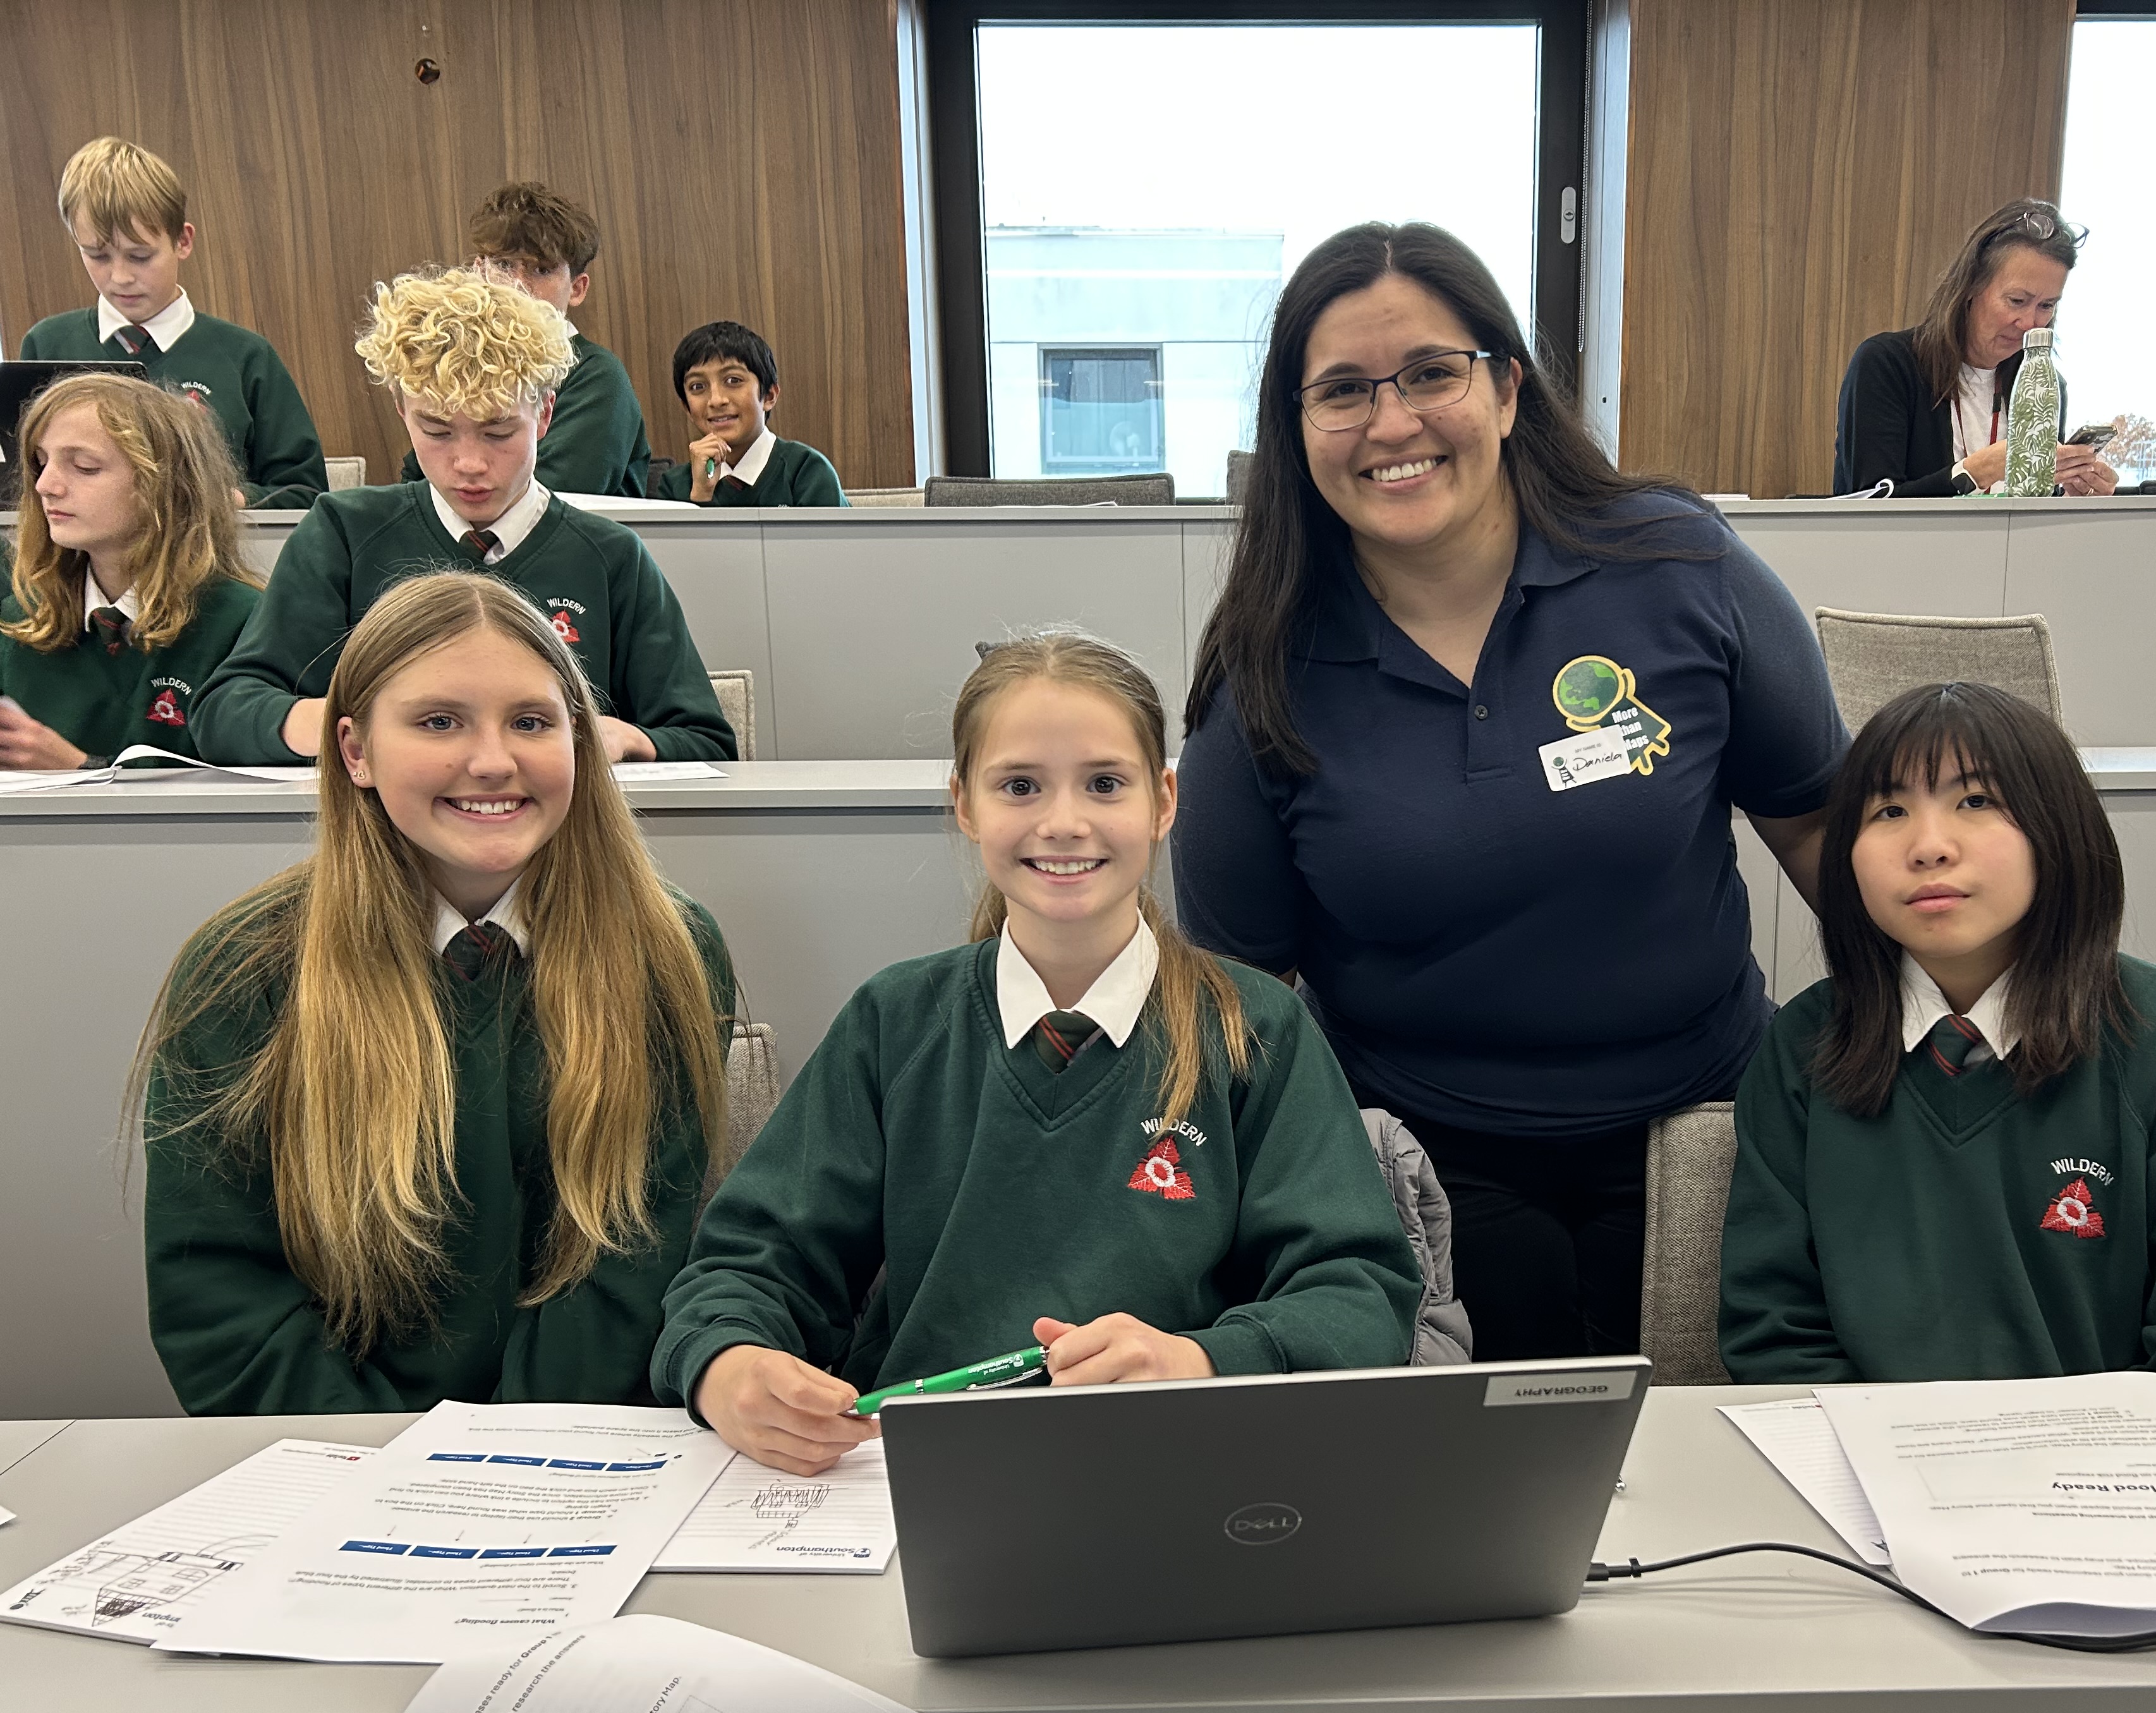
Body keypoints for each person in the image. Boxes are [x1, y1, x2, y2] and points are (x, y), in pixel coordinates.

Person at [1171, 221, 1849, 1365]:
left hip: (1714, 1129)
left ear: (1506, 388)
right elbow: (1243, 1010)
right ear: (1295, 429)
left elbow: (1829, 830)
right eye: (1341, 390)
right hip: (1425, 1167)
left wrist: (1938, 1049)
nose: (1392, 422)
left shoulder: (1677, 565)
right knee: (1491, 1512)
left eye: (1431, 372)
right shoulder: (1262, 673)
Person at [653, 630, 1424, 1476]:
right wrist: (727, 1365)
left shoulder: (1255, 1029)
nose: (1064, 822)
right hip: (916, 1486)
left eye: (1105, 783)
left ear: (1164, 800)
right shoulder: (896, 1022)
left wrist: (1197, 1362)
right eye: (1020, 785)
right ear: (964, 804)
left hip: (1179, 1472)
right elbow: (747, 1265)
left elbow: (1359, 1297)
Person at [139, 571, 736, 1413]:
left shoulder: (665, 950)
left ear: (579, 740)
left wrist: (515, 1465)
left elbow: (631, 1263)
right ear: (355, 752)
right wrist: (380, 1473)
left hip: (577, 1452)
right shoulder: (245, 965)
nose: (492, 762)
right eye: (438, 722)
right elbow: (223, 1297)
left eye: (532, 722)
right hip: (330, 1464)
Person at [1717, 682, 2156, 1381]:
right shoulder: (1803, 1046)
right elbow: (1773, 1332)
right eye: (1890, 810)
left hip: (2114, 1473)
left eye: (1976, 801)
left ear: (2059, 829)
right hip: (1866, 1469)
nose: (1930, 846)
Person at [192, 267, 734, 766]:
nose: (469, 464)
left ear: (544, 413)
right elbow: (225, 712)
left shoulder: (612, 557)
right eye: (437, 431)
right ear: (402, 409)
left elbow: (706, 742)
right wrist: (316, 723)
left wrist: (627, 738)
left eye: (499, 432)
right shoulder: (343, 534)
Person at [17, 136, 326, 508]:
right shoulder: (46, 344)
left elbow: (304, 493)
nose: (120, 277)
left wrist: (229, 500)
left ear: (183, 241)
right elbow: (20, 492)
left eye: (140, 256)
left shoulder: (246, 356)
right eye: (97, 255)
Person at [0, 374, 260, 767]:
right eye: (40, 462)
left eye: (84, 467)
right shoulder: (19, 621)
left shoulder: (245, 623)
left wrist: (82, 768)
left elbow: (255, 803)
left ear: (167, 485)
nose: (46, 485)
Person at [1832, 198, 2118, 499]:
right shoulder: (1887, 365)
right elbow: (1868, 508)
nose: (2030, 324)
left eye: (2047, 306)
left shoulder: (2044, 386)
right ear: (1971, 286)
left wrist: (2074, 501)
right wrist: (1976, 471)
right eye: (2017, 301)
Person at [396, 181, 652, 497]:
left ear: (577, 288)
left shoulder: (597, 376)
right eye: (503, 265)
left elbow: (553, 497)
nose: (516, 285)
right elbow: (414, 485)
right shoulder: (459, 365)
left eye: (541, 270)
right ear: (479, 273)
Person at [650, 321, 845, 506]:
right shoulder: (674, 486)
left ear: (769, 396)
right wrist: (701, 494)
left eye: (733, 380)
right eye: (698, 386)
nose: (716, 400)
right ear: (687, 408)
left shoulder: (807, 471)